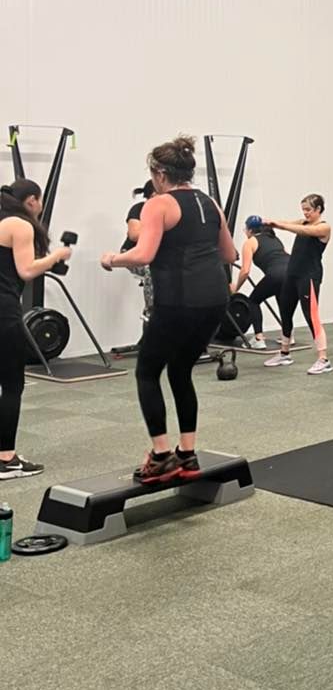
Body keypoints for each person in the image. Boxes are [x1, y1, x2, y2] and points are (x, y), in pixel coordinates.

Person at [100, 137, 235, 483]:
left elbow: (143, 254)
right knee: (180, 370)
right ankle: (187, 454)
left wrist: (112, 259)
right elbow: (230, 254)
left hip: (179, 301)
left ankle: (161, 457)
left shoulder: (157, 204)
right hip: (216, 300)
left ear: (159, 174)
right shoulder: (210, 203)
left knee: (147, 372)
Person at [0, 180, 72, 478]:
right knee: (12, 385)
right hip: (4, 312)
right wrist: (56, 256)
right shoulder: (20, 225)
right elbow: (26, 270)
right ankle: (6, 459)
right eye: (39, 201)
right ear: (31, 200)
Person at [262, 194, 332, 374]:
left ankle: (323, 359)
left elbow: (301, 230)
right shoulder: (303, 222)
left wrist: (282, 225)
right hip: (292, 275)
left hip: (309, 276)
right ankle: (284, 353)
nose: (305, 213)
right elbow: (290, 224)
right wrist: (272, 223)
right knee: (285, 312)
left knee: (311, 316)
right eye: (303, 210)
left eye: (308, 210)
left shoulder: (323, 227)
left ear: (318, 209)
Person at [231, 216, 290, 351]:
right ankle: (288, 336)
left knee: (253, 301)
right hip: (291, 273)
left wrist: (236, 288)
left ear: (250, 230)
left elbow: (245, 271)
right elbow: (286, 255)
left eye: (245, 229)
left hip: (276, 274)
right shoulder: (274, 238)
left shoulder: (250, 242)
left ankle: (258, 339)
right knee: (282, 301)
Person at [122, 181, 155, 323]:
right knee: (152, 268)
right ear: (153, 195)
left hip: (156, 254)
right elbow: (134, 234)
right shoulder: (139, 209)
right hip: (132, 254)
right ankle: (151, 312)